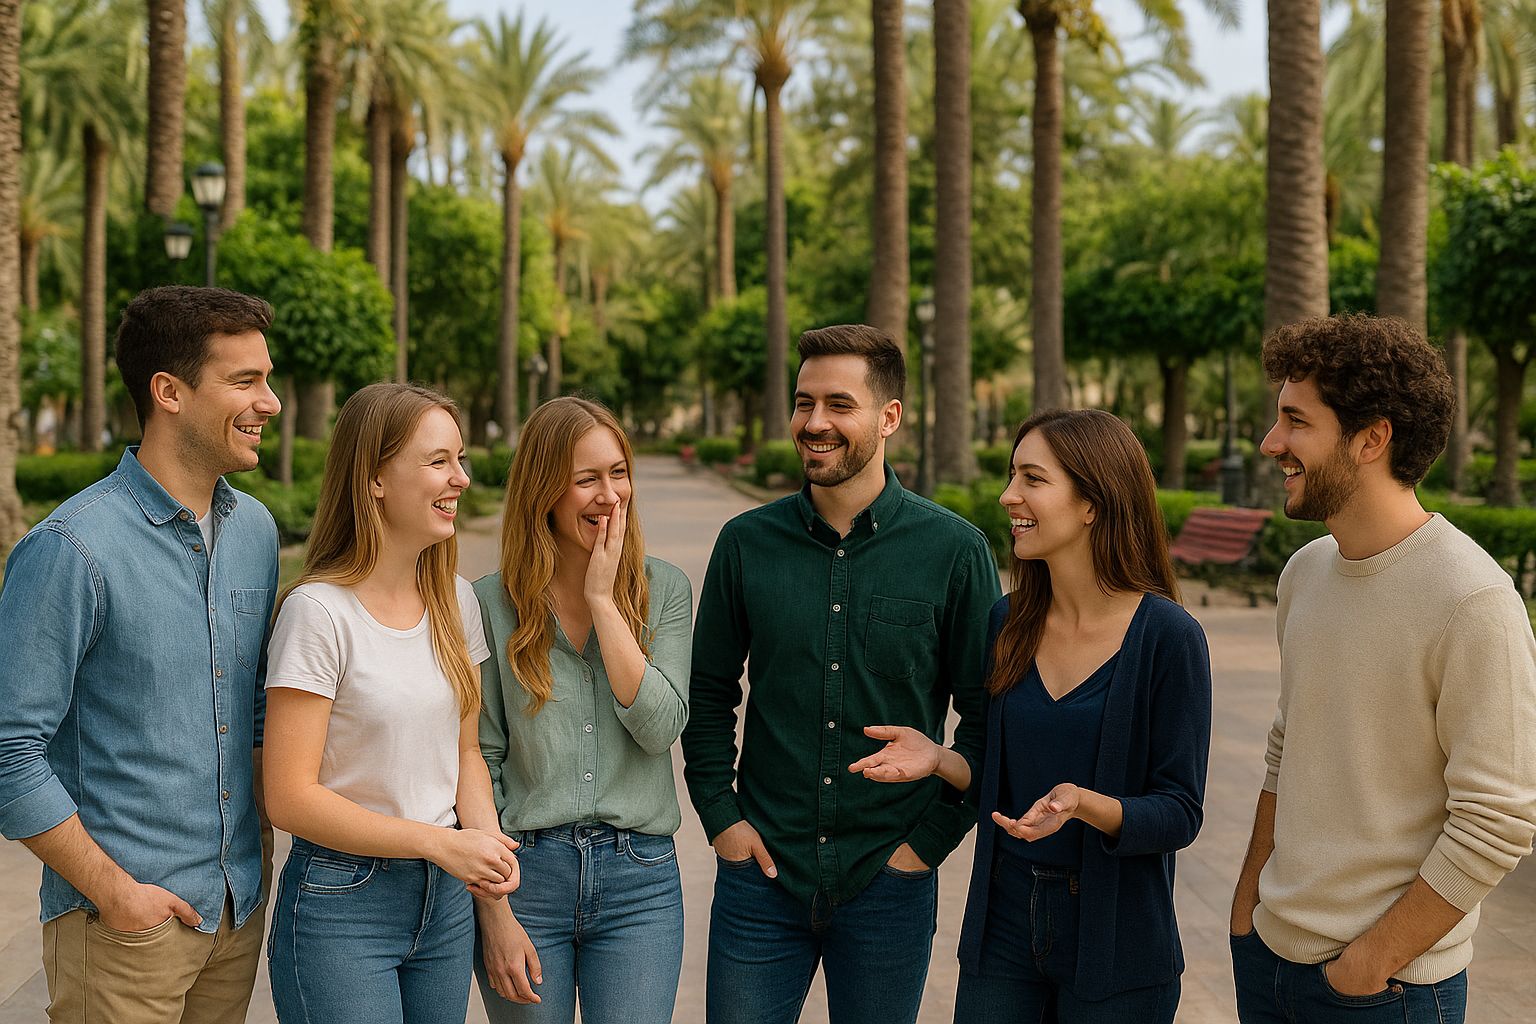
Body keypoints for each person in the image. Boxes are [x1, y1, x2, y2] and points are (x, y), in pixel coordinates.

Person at [683, 324, 1002, 1024]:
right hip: (760, 879)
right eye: (803, 403)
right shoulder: (745, 544)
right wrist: (721, 820)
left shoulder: (954, 552)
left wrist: (926, 849)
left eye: (838, 403)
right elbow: (707, 698)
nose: (814, 423)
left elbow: (989, 723)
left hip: (890, 881)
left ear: (889, 417)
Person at [853, 408, 1212, 1023]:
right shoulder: (1008, 622)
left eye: (1032, 478)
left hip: (1118, 945)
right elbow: (998, 777)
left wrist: (1084, 804)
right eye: (1010, 475)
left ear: (1092, 503)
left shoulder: (1168, 637)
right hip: (1004, 930)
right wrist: (939, 758)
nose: (1007, 495)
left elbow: (1179, 812)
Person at [1229, 314, 1536, 1023]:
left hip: (1386, 993)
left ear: (1372, 438)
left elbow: (1497, 822)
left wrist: (1368, 964)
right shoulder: (1305, 574)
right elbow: (1287, 745)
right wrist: (1249, 901)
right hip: (1268, 959)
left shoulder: (1473, 601)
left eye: (1295, 421)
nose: (1272, 443)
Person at [0, 285, 281, 1022]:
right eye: (245, 381)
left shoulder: (254, 530)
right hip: (122, 931)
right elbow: (9, 750)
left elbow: (252, 711)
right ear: (169, 392)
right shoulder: (72, 549)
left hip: (234, 914)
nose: (271, 402)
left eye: (267, 378)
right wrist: (116, 894)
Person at [262, 382, 519, 1024]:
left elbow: (466, 757)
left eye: (459, 460)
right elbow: (290, 796)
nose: (460, 478)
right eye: (438, 461)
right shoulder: (318, 613)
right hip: (343, 902)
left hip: (445, 907)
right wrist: (437, 844)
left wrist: (492, 893)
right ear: (375, 478)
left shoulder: (457, 603)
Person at [472, 396, 692, 1023]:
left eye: (619, 473)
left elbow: (660, 727)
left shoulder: (666, 590)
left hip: (639, 881)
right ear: (544, 489)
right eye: (586, 478)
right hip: (525, 878)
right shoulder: (489, 604)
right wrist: (494, 911)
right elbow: (480, 759)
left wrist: (603, 598)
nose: (609, 495)